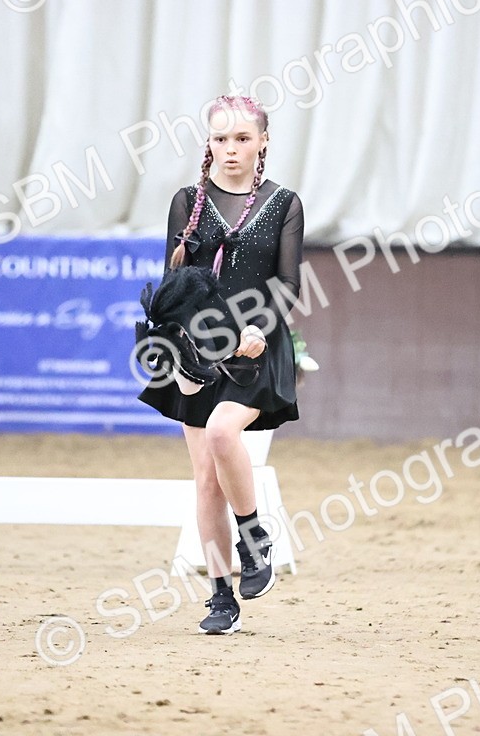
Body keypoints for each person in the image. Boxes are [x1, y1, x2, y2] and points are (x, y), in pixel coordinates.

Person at [137, 95, 305, 634]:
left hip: (258, 347)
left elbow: (288, 286)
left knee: (222, 432)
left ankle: (254, 537)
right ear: (208, 144)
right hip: (199, 352)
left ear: (262, 142)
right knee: (205, 481)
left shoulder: (284, 204)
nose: (229, 149)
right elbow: (173, 284)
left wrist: (259, 329)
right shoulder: (188, 201)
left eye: (240, 139)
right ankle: (220, 596)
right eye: (219, 139)